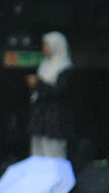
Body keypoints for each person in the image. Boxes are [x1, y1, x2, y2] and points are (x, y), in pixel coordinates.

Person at [26, 31, 74, 159]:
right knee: (38, 154)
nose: (44, 48)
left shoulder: (64, 67)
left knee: (54, 155)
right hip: (40, 122)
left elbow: (60, 92)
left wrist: (38, 84)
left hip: (55, 123)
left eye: (46, 45)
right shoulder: (44, 66)